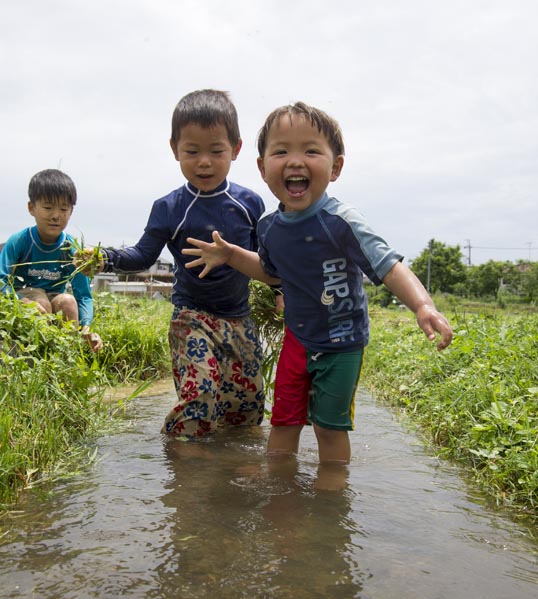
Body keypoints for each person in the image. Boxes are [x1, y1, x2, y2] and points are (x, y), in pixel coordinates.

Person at [184, 101, 453, 469]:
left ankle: (330, 500)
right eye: (281, 151)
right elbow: (270, 271)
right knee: (283, 423)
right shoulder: (268, 227)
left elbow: (389, 266)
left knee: (329, 428)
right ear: (263, 168)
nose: (295, 161)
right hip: (298, 338)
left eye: (311, 150)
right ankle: (281, 492)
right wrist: (230, 254)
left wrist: (423, 305)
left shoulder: (341, 221)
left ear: (336, 166)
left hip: (342, 343)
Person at [84, 89, 268, 437]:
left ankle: (230, 479)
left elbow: (267, 262)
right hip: (191, 316)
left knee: (246, 408)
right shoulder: (169, 207)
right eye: (192, 151)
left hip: (240, 319)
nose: (204, 162)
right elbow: (142, 256)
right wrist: (104, 258)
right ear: (174, 149)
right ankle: (185, 474)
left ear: (237, 149)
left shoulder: (249, 203)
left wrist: (280, 292)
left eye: (216, 151)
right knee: (199, 396)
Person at [0, 168, 103, 352]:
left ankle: (66, 354)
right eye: (48, 207)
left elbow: (83, 294)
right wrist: (21, 301)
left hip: (55, 300)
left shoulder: (71, 249)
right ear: (31, 208)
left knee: (67, 301)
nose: (55, 215)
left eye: (63, 209)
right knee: (39, 302)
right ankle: (36, 357)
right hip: (25, 296)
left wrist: (86, 326)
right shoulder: (20, 241)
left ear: (71, 211)